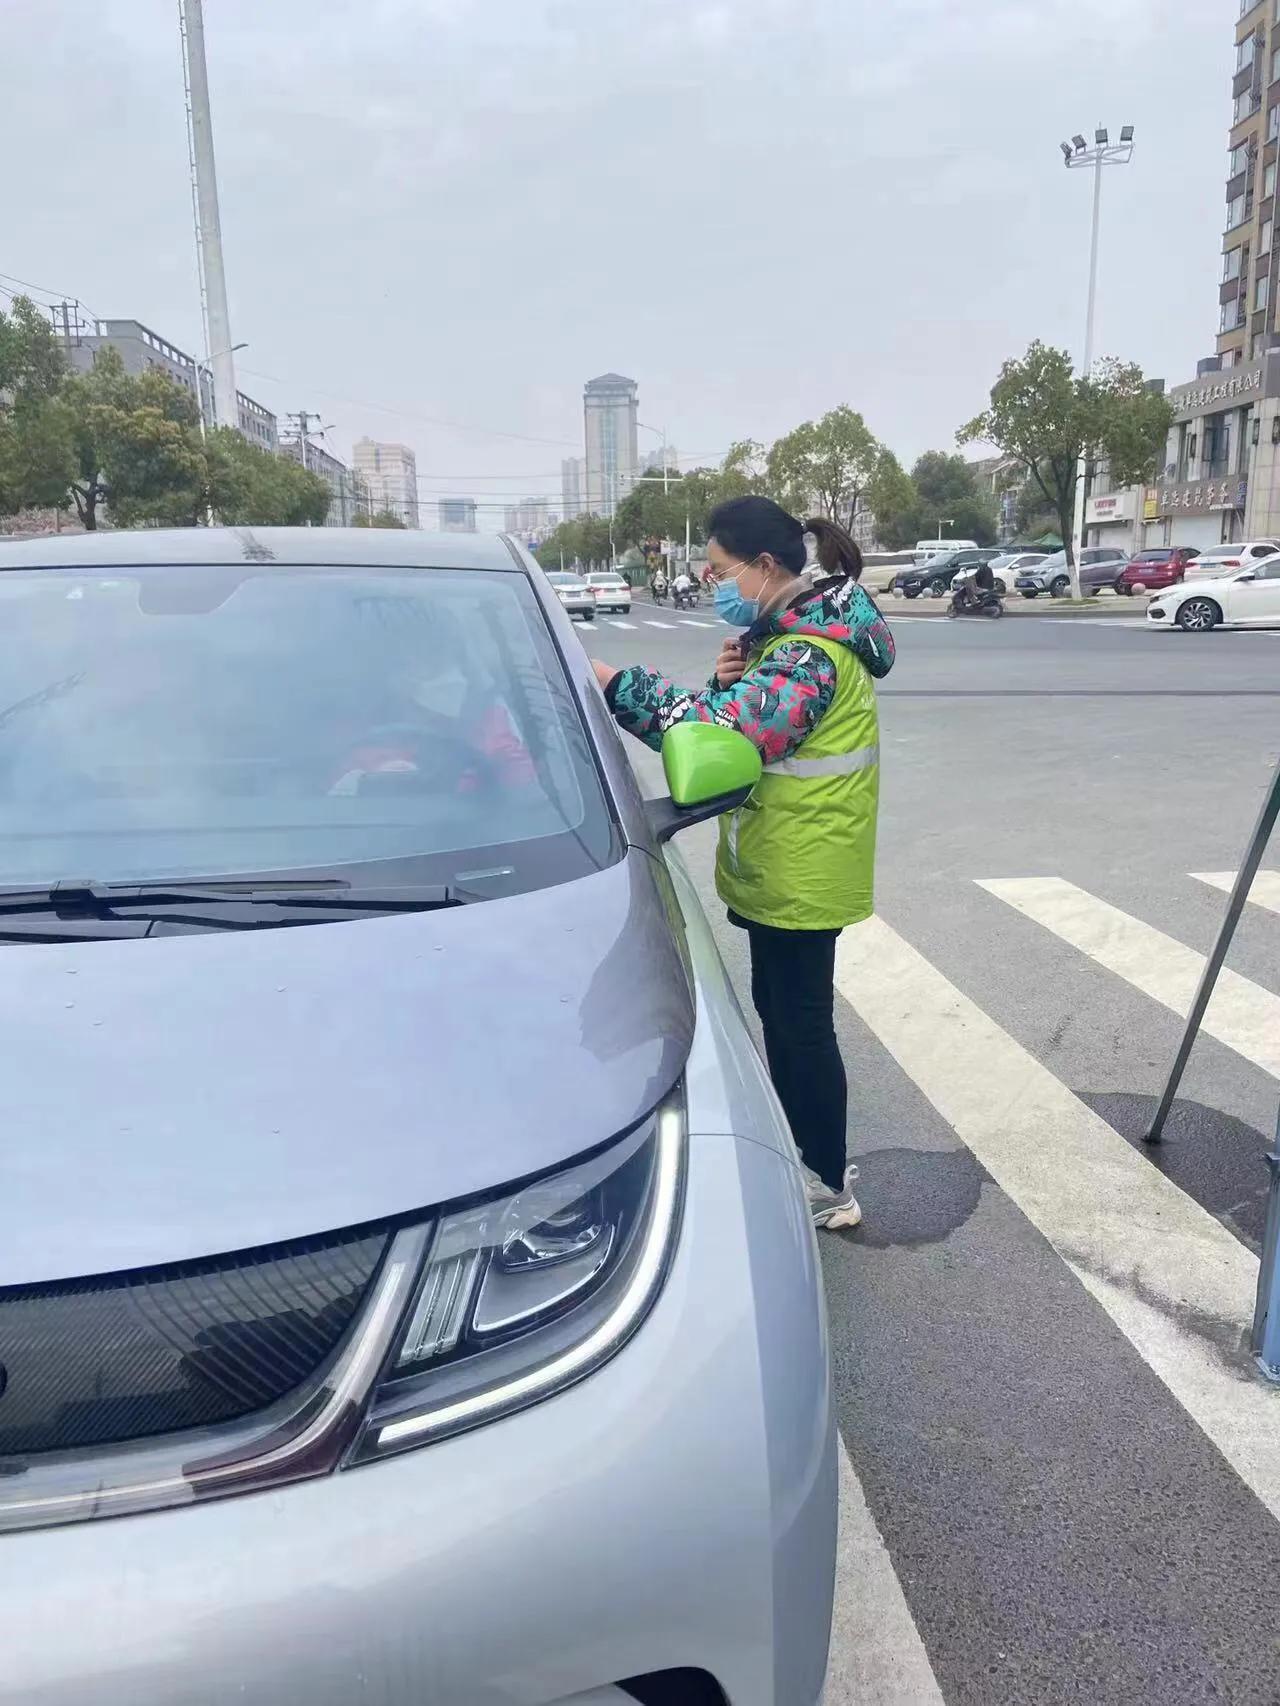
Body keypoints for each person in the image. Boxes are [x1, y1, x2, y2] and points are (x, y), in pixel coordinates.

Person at [591, 496, 895, 1230]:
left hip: (804, 871)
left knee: (800, 1027)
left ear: (764, 568)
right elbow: (740, 720)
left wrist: (609, 682)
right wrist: (731, 679)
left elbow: (721, 736)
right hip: (785, 864)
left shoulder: (810, 655)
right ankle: (808, 1157)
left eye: (720, 567)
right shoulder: (789, 636)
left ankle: (827, 1180)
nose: (709, 577)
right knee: (786, 1019)